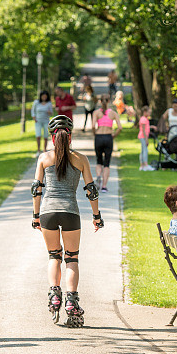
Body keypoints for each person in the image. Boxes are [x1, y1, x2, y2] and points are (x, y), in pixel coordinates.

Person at [31, 116, 104, 327]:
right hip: (70, 212)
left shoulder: (44, 158)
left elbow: (37, 190)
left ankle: (55, 297)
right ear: (69, 137)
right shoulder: (81, 159)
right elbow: (91, 191)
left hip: (48, 212)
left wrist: (36, 216)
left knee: (54, 256)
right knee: (71, 258)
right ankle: (71, 301)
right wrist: (96, 216)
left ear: (52, 138)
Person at [91, 95, 122, 193]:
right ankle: (104, 186)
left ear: (100, 102)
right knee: (107, 163)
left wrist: (95, 134)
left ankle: (98, 176)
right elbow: (120, 128)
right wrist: (114, 136)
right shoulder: (113, 113)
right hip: (108, 137)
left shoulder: (96, 113)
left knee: (98, 160)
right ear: (109, 101)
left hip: (99, 137)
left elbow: (92, 126)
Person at [138, 105, 155, 171]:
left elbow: (146, 127)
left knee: (143, 150)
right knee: (145, 150)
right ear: (145, 112)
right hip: (143, 136)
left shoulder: (145, 119)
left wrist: (152, 127)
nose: (149, 114)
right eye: (149, 112)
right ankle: (145, 165)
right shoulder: (143, 119)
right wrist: (146, 139)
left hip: (143, 136)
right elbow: (144, 130)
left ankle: (142, 165)